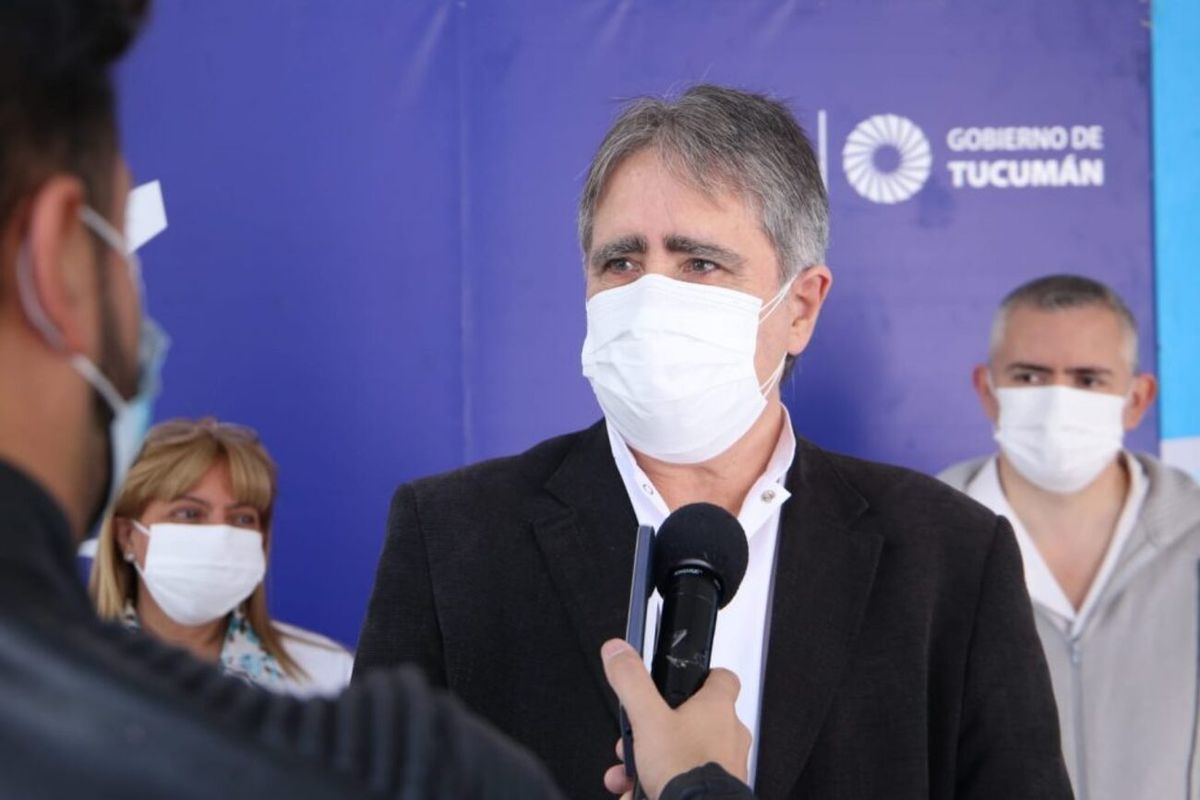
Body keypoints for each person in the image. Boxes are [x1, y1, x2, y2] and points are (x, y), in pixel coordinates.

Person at [0, 1, 754, 796]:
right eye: (125, 248)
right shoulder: (399, 768)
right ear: (57, 262)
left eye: (699, 265)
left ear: (801, 304)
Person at [356, 85, 1074, 799]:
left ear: (801, 307)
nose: (650, 297)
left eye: (699, 264)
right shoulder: (452, 537)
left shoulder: (949, 556)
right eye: (621, 263)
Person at [938, 274, 1200, 800]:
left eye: (1088, 379)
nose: (1058, 401)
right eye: (1030, 376)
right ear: (988, 391)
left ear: (1136, 399)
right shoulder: (919, 549)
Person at [89, 417, 354, 696]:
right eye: (189, 513)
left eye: (242, 518)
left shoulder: (328, 676)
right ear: (127, 535)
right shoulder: (75, 670)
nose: (221, 535)